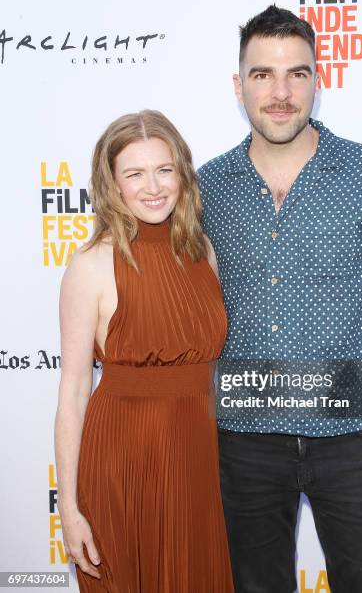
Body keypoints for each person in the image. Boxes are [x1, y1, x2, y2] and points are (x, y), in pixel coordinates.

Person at [197, 5, 362, 593]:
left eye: (296, 74)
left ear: (318, 81)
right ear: (237, 84)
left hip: (356, 441)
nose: (279, 92)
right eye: (262, 74)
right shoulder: (205, 189)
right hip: (243, 440)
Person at [54, 110, 234, 592]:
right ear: (111, 183)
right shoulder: (91, 265)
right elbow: (72, 392)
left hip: (201, 455)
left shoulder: (203, 251)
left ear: (182, 174)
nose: (152, 187)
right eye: (134, 174)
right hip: (124, 459)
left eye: (164, 169)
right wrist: (69, 511)